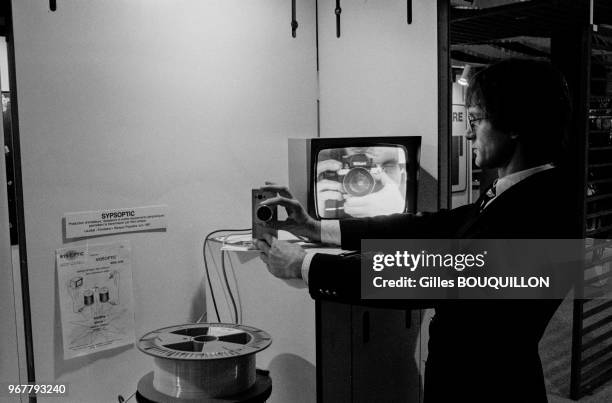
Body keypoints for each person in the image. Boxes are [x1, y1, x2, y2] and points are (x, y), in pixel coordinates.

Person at [255, 59, 576, 402]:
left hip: (484, 388)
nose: (468, 134)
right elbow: (428, 225)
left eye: (475, 120)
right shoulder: (530, 192)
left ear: (514, 122)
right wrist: (318, 227)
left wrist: (303, 265)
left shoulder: (537, 211)